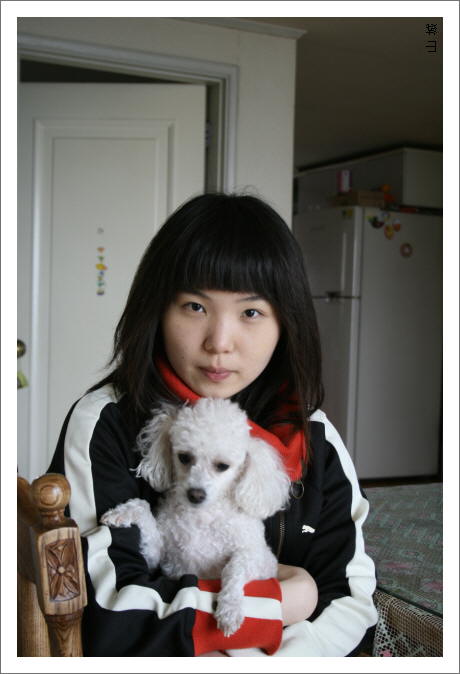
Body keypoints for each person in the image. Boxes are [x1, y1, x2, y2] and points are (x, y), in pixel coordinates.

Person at [48, 192, 378, 656]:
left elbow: (351, 604)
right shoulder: (105, 422)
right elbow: (109, 616)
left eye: (251, 312)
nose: (220, 342)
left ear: (286, 323)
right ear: (157, 309)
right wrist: (282, 603)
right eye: (195, 307)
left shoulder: (314, 437)